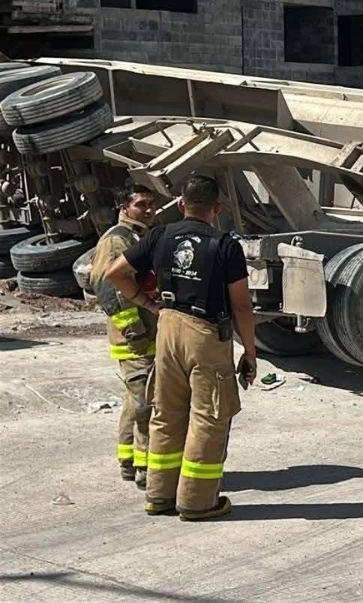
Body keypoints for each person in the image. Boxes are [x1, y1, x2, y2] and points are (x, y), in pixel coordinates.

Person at [106, 175, 257, 521]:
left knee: (166, 414)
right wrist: (249, 352)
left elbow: (115, 273)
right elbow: (242, 306)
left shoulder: (159, 235)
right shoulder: (224, 245)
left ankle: (159, 496)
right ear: (217, 209)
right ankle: (197, 502)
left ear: (181, 205)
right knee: (209, 416)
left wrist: (149, 303)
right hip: (205, 335)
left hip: (168, 329)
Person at [91, 183, 159, 489]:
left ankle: (129, 462)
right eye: (141, 204)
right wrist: (134, 330)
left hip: (144, 335)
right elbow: (108, 289)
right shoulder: (117, 239)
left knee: (135, 402)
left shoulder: (138, 237)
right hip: (133, 338)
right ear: (124, 208)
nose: (148, 210)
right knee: (147, 402)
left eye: (151, 204)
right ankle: (145, 467)